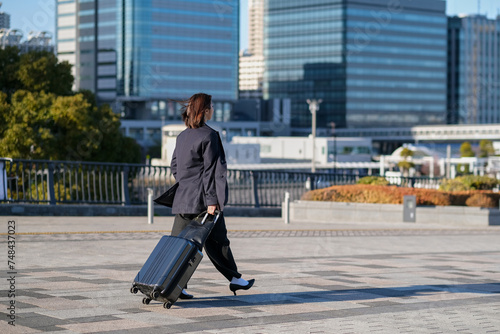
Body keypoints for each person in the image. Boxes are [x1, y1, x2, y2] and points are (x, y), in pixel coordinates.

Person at [170, 93, 255, 299]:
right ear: (205, 110)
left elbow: (174, 167)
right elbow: (212, 171)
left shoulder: (182, 136)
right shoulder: (209, 135)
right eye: (212, 106)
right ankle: (234, 279)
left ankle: (175, 285)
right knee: (218, 242)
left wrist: (186, 185)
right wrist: (211, 201)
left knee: (179, 244)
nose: (213, 109)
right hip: (204, 202)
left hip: (183, 199)